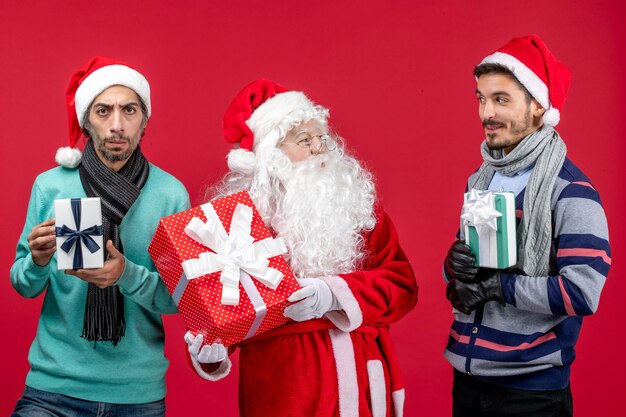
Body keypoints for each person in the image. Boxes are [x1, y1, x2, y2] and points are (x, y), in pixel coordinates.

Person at [183, 79, 418, 417]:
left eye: (322, 137)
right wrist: (210, 354)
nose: (320, 148)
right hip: (283, 388)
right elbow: (225, 321)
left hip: (360, 382)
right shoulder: (237, 224)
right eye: (304, 141)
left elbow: (402, 286)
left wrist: (334, 294)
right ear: (271, 156)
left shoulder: (359, 207)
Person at [10, 56, 189, 416]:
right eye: (104, 111)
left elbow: (180, 297)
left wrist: (126, 275)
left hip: (137, 393)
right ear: (86, 121)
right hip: (53, 387)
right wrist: (39, 261)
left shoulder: (170, 194)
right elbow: (23, 284)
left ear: (145, 121)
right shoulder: (51, 186)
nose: (117, 125)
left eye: (130, 110)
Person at [443, 35, 611, 417]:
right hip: (468, 376)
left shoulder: (571, 192)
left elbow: (582, 293)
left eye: (501, 99)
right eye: (481, 99)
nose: (487, 112)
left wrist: (497, 287)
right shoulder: (481, 180)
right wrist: (456, 266)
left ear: (539, 106)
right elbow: (467, 269)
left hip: (531, 392)